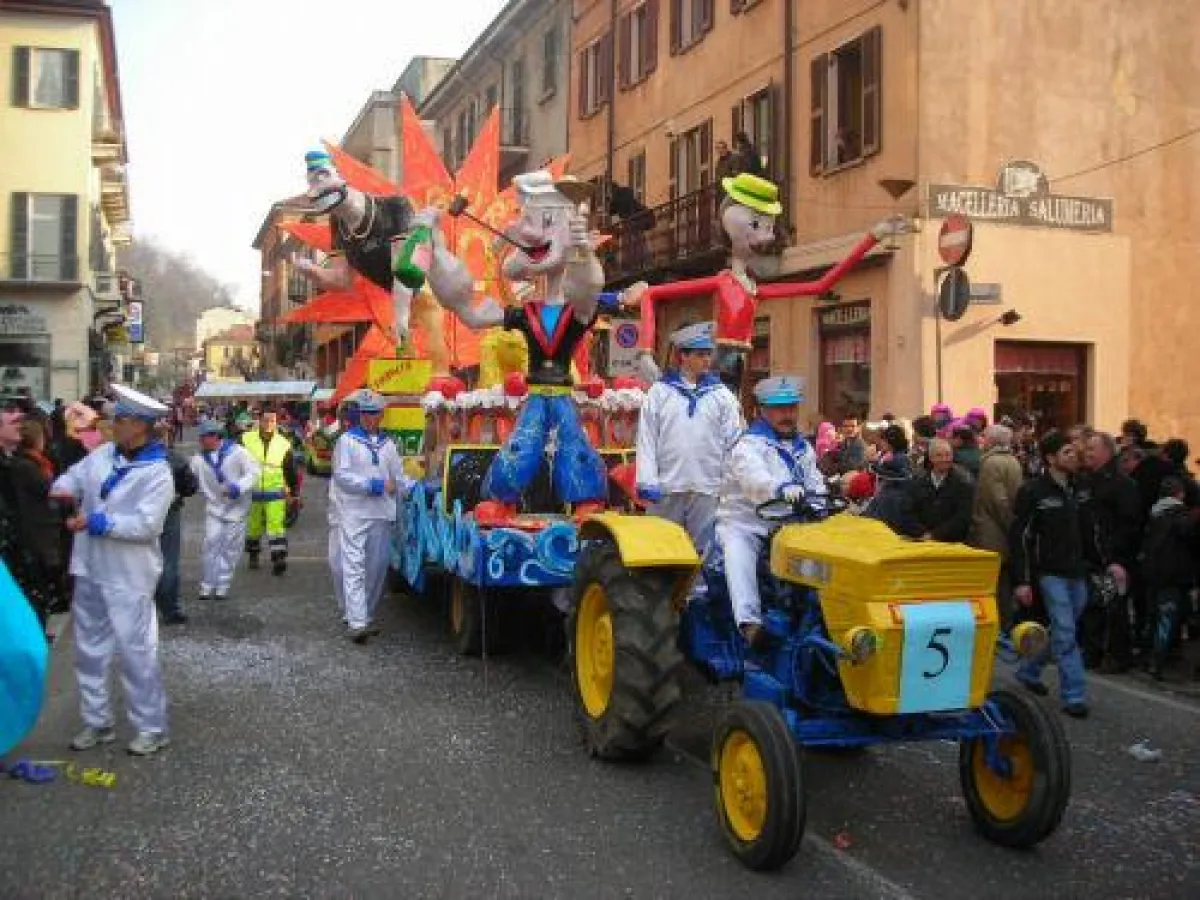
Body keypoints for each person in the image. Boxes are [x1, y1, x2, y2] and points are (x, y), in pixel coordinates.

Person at [49, 385, 175, 755]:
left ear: (140, 426)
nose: (111, 425)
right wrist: (62, 491)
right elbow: (73, 477)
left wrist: (97, 522)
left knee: (136, 651)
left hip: (128, 574)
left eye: (119, 420)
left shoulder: (158, 474)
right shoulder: (104, 454)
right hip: (89, 566)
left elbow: (147, 525)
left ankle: (151, 726)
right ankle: (97, 721)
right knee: (89, 650)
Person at [716, 376, 826, 649]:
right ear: (762, 411)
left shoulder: (803, 447)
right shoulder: (748, 446)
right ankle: (749, 624)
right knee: (738, 553)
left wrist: (822, 501)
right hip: (747, 523)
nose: (787, 415)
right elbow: (756, 482)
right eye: (779, 409)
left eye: (791, 408)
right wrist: (779, 488)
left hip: (793, 525)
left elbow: (815, 482)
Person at [635, 321, 743, 594]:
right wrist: (647, 480)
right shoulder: (659, 393)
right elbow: (647, 439)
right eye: (699, 354)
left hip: (707, 487)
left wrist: (731, 484)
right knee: (660, 549)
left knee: (705, 554)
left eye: (708, 354)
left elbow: (734, 443)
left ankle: (698, 606)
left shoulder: (722, 396)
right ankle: (658, 599)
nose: (706, 360)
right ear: (683, 356)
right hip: (666, 487)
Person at [1009, 430, 1090, 718]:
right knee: (1067, 632)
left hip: (1078, 571)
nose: (1074, 456)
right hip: (1050, 573)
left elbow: (1092, 532)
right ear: (1051, 458)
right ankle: (1074, 694)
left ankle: (1029, 670)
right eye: (1067, 452)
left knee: (1060, 628)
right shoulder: (1033, 491)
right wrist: (1021, 580)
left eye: (1074, 451)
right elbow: (1019, 537)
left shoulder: (1080, 488)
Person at [330, 390, 407, 643]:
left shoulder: (389, 445)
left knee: (377, 565)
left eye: (374, 414)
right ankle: (357, 622)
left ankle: (365, 614)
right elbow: (342, 477)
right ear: (360, 415)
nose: (369, 418)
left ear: (381, 415)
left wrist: (417, 487)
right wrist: (374, 485)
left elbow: (399, 477)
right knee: (353, 564)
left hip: (381, 513)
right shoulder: (347, 441)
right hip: (354, 511)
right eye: (365, 414)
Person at [1076, 431, 1143, 673]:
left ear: (1106, 451)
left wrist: (1117, 559)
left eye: (1092, 448)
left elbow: (1130, 525)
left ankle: (1117, 656)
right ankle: (1092, 653)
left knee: (1113, 609)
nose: (1087, 453)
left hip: (1113, 560)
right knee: (1092, 606)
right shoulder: (1085, 481)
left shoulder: (1123, 485)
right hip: (1089, 558)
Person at [191, 420, 260, 603]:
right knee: (211, 543)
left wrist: (238, 487)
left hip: (237, 509)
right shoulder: (198, 459)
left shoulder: (238, 453)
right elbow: (192, 481)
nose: (201, 441)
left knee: (231, 547)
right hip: (214, 509)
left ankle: (223, 584)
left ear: (215, 437)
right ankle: (207, 584)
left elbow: (254, 473)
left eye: (204, 437)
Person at [10, 419, 69, 628]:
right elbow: (49, 488)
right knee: (41, 580)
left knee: (44, 578)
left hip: (41, 525)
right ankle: (39, 623)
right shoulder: (27, 465)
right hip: (38, 527)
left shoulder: (33, 462)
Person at [1139, 477, 1196, 680]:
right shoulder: (1181, 515)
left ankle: (1147, 658)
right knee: (1166, 619)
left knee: (1152, 616)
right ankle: (1157, 662)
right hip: (1173, 576)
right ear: (1180, 494)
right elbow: (1191, 540)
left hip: (1152, 574)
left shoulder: (1154, 513)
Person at [970, 424, 1024, 628]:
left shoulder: (990, 463)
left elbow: (996, 499)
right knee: (1004, 580)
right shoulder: (1013, 461)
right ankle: (1006, 622)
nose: (982, 440)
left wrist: (1009, 524)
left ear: (993, 440)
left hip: (991, 530)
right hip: (1004, 529)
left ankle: (999, 624)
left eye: (985, 437)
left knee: (995, 582)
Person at [242, 407, 299, 575]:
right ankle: (253, 554)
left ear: (276, 423)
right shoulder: (246, 439)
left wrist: (294, 492)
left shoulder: (283, 443)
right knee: (253, 526)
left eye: (272, 421)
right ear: (259, 421)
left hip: (275, 491)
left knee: (276, 526)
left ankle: (279, 558)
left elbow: (290, 469)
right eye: (266, 420)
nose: (268, 424)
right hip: (253, 490)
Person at [153, 422, 198, 625]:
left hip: (136, 513)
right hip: (168, 512)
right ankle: (169, 608)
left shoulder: (128, 456)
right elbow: (190, 487)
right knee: (168, 560)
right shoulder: (173, 458)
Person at [909, 437, 975, 543]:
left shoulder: (963, 482)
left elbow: (963, 517)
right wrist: (922, 533)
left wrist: (934, 535)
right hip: (921, 540)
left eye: (948, 454)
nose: (945, 459)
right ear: (930, 458)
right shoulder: (918, 481)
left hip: (952, 543)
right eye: (939, 455)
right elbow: (908, 511)